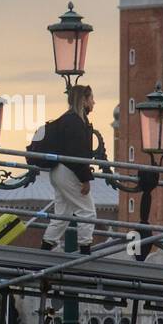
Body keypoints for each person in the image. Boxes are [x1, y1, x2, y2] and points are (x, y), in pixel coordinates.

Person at [42, 85, 101, 253]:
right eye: (91, 98)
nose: (94, 102)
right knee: (87, 212)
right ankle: (85, 253)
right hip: (68, 171)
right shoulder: (76, 122)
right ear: (83, 100)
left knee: (62, 216)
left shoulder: (66, 119)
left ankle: (44, 251)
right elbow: (77, 154)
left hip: (58, 171)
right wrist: (85, 179)